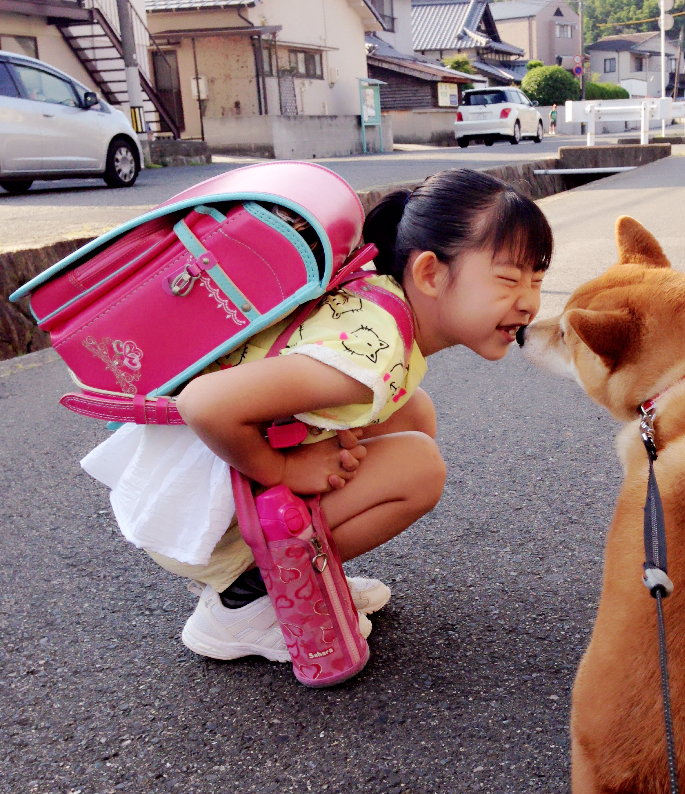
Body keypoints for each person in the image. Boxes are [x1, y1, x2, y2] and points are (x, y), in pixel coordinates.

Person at [81, 169, 553, 663]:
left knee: (412, 414)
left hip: (202, 483)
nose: (529, 302)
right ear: (430, 274)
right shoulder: (374, 353)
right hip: (191, 513)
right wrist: (285, 470)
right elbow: (204, 404)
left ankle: (304, 569)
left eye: (537, 281)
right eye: (508, 279)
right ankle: (245, 600)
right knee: (420, 469)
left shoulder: (378, 302)